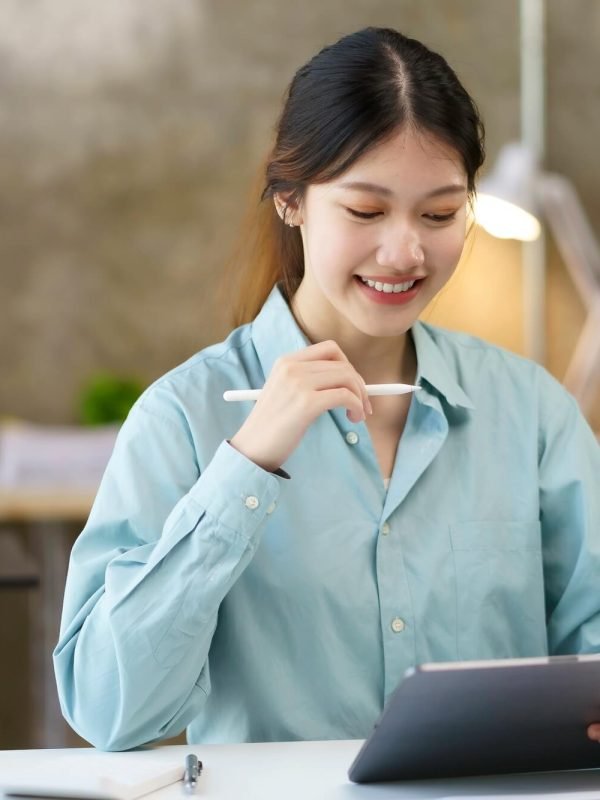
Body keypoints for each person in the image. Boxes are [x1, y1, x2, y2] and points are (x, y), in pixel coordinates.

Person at [54, 26, 600, 752]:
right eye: (366, 212)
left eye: (439, 214)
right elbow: (107, 710)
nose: (405, 251)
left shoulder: (532, 416)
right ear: (291, 201)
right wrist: (246, 470)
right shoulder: (183, 417)